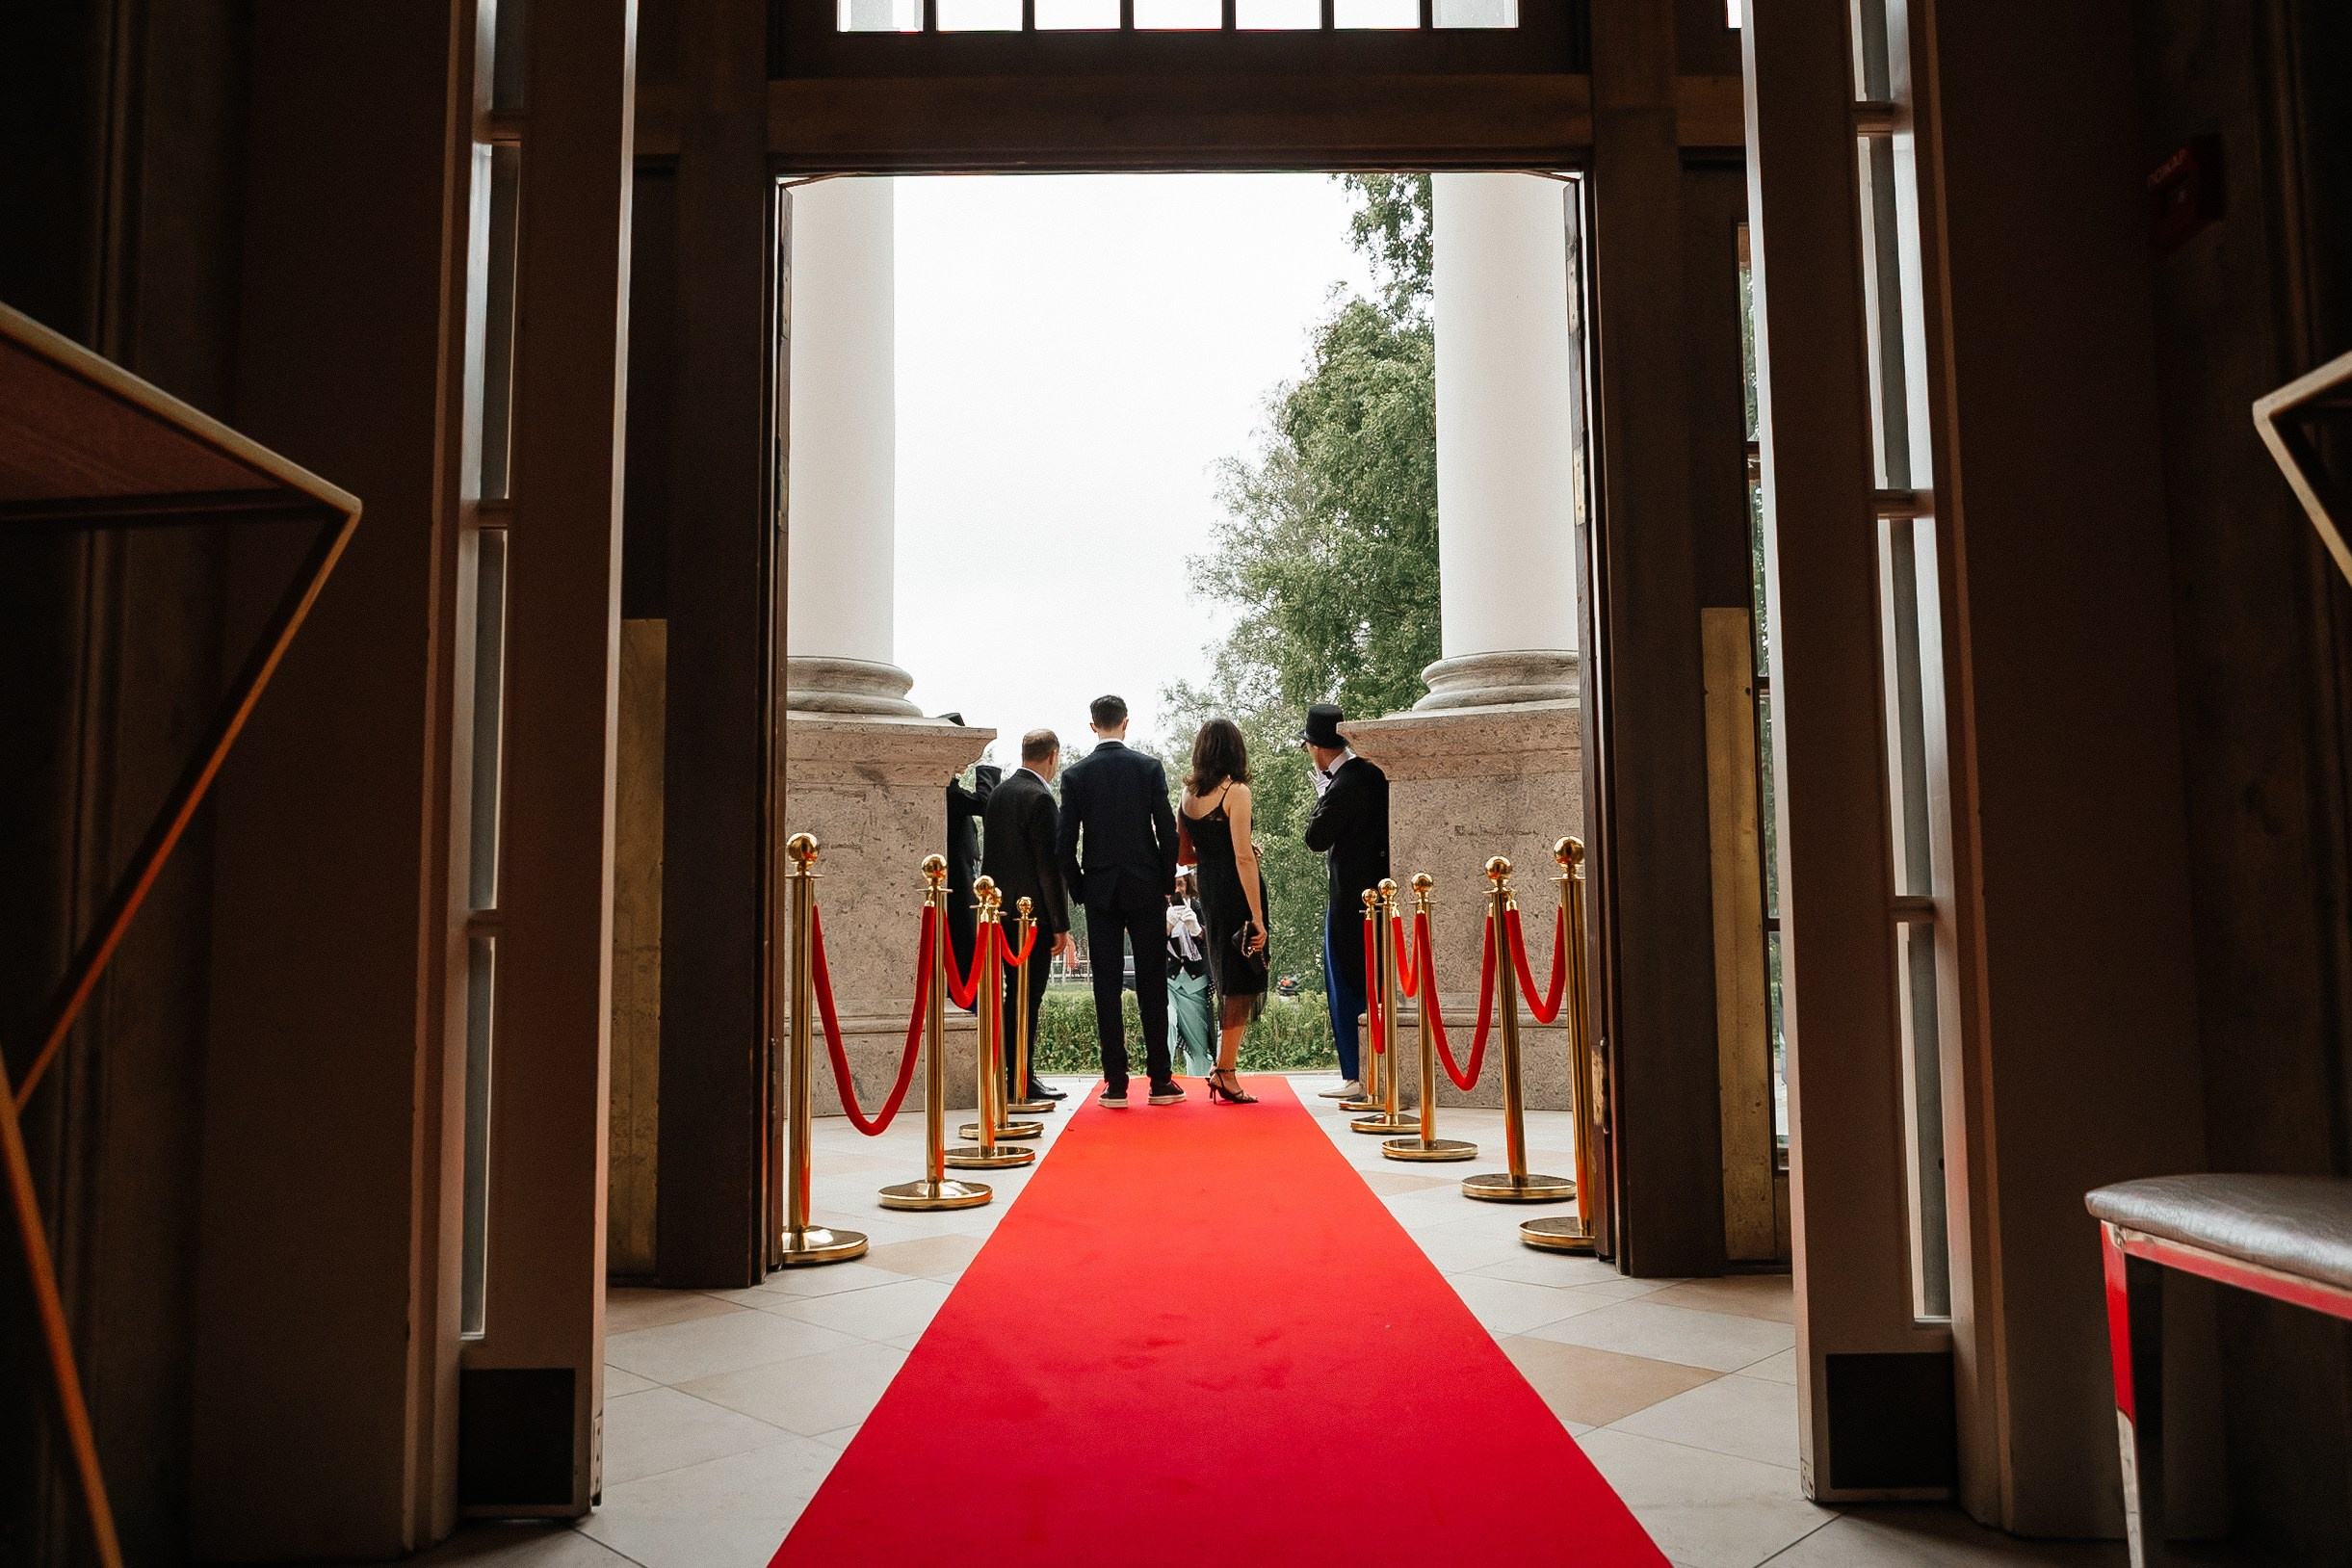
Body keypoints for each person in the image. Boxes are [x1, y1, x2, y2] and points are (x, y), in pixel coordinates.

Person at [1056, 694, 1184, 1107]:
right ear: (1126, 723)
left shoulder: (1076, 775)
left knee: (1105, 987)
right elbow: (1169, 832)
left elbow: (1064, 846)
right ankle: (1161, 1080)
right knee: (1152, 985)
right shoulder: (1148, 768)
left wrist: (1081, 888)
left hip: (1101, 890)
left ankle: (1115, 1083)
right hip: (1146, 887)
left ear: (1092, 726)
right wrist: (1166, 882)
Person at [1300, 702, 1389, 1100]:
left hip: (1349, 901)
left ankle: (1355, 1074)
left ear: (1316, 747)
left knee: (1346, 986)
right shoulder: (1371, 773)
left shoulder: (1345, 781)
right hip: (1373, 897)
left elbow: (1316, 838)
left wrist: (1322, 795)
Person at [1180, 718, 1268, 1106]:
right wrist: (1259, 917)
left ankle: (1223, 1066)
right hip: (1237, 890)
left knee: (1229, 972)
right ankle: (1225, 1071)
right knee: (1243, 977)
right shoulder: (1236, 791)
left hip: (1211, 888)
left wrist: (1219, 854)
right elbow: (1243, 857)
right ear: (1235, 750)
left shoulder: (1187, 794)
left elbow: (1185, 855)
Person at [980, 728, 1072, 1104]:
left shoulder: (1000, 794)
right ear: (1052, 756)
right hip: (1030, 919)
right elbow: (1049, 868)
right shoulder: (1040, 799)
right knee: (1028, 998)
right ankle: (1022, 1076)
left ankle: (1007, 1072)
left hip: (997, 915)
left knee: (1007, 998)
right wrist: (1061, 925)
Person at [939, 713, 999, 1004]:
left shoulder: (952, 788)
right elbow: (986, 804)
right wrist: (986, 769)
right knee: (963, 950)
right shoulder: (948, 791)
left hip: (965, 884)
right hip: (958, 889)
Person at [1166, 867, 1217, 1079]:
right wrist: (1166, 926)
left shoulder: (1200, 908)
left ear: (1187, 884)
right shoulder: (1155, 909)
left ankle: (1200, 1090)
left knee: (1198, 1049)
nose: (1176, 890)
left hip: (1195, 984)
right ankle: (1162, 1079)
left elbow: (1215, 944)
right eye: (1171, 885)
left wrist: (1198, 931)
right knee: (1166, 1023)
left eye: (1180, 884)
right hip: (1166, 982)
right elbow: (1144, 947)